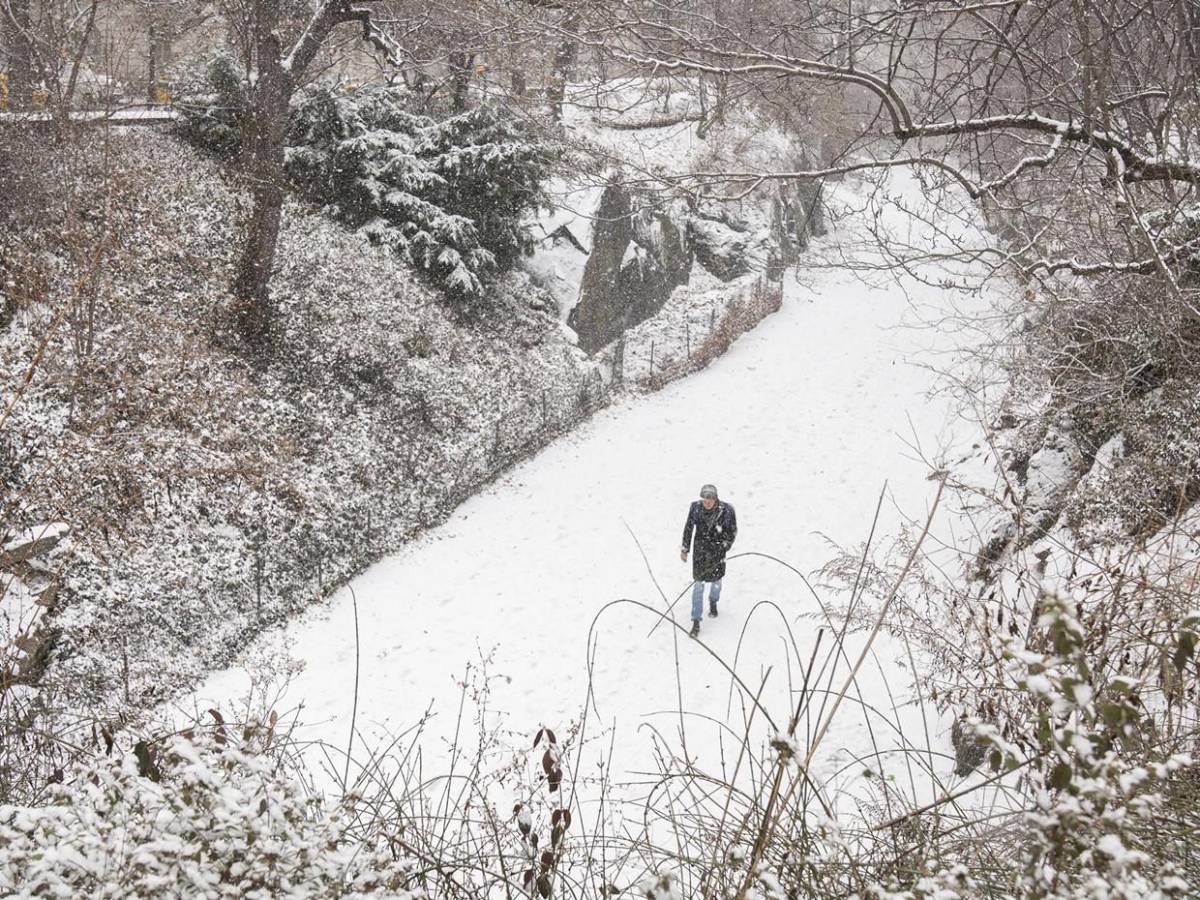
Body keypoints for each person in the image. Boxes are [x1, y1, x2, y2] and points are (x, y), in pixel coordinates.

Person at [680, 484, 737, 638]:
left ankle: (713, 600)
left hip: (717, 552)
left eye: (710, 499)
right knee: (698, 585)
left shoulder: (726, 510)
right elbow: (689, 528)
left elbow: (732, 530)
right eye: (705, 499)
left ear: (715, 498)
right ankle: (696, 620)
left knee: (717, 581)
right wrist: (685, 548)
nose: (707, 502)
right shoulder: (695, 508)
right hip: (700, 552)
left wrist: (725, 545)